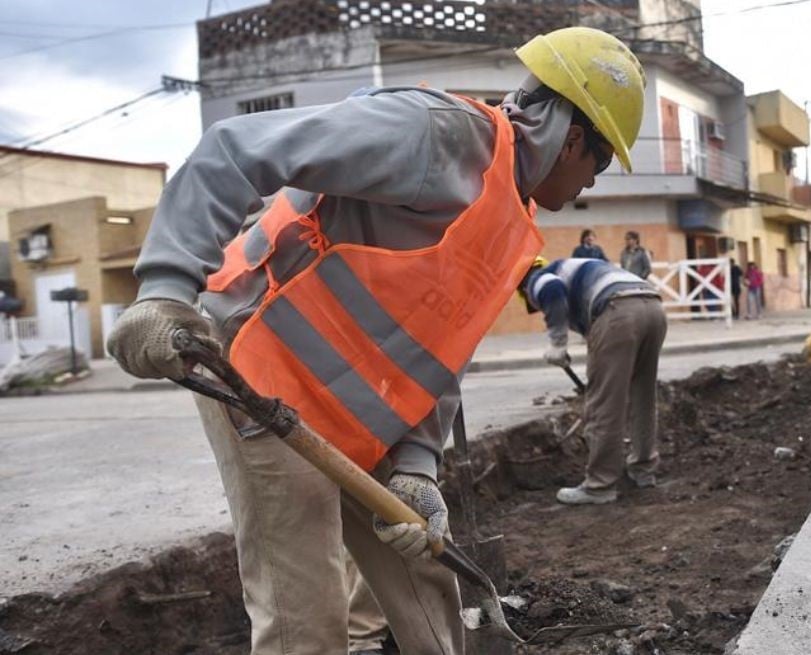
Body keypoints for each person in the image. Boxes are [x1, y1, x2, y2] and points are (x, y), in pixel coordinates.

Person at [105, 26, 645, 655]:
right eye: (601, 159)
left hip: (351, 403)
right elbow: (235, 148)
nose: (594, 181)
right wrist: (165, 289)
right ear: (570, 135)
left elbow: (443, 354)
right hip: (257, 364)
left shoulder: (512, 224)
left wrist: (417, 466)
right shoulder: (434, 134)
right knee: (305, 611)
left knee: (422, 561)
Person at [521, 258, 666, 505]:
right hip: (652, 307)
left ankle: (600, 485)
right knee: (643, 395)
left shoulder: (536, 278)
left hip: (618, 310)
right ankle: (643, 470)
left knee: (605, 403)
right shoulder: (577, 267)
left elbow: (551, 290)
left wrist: (558, 343)